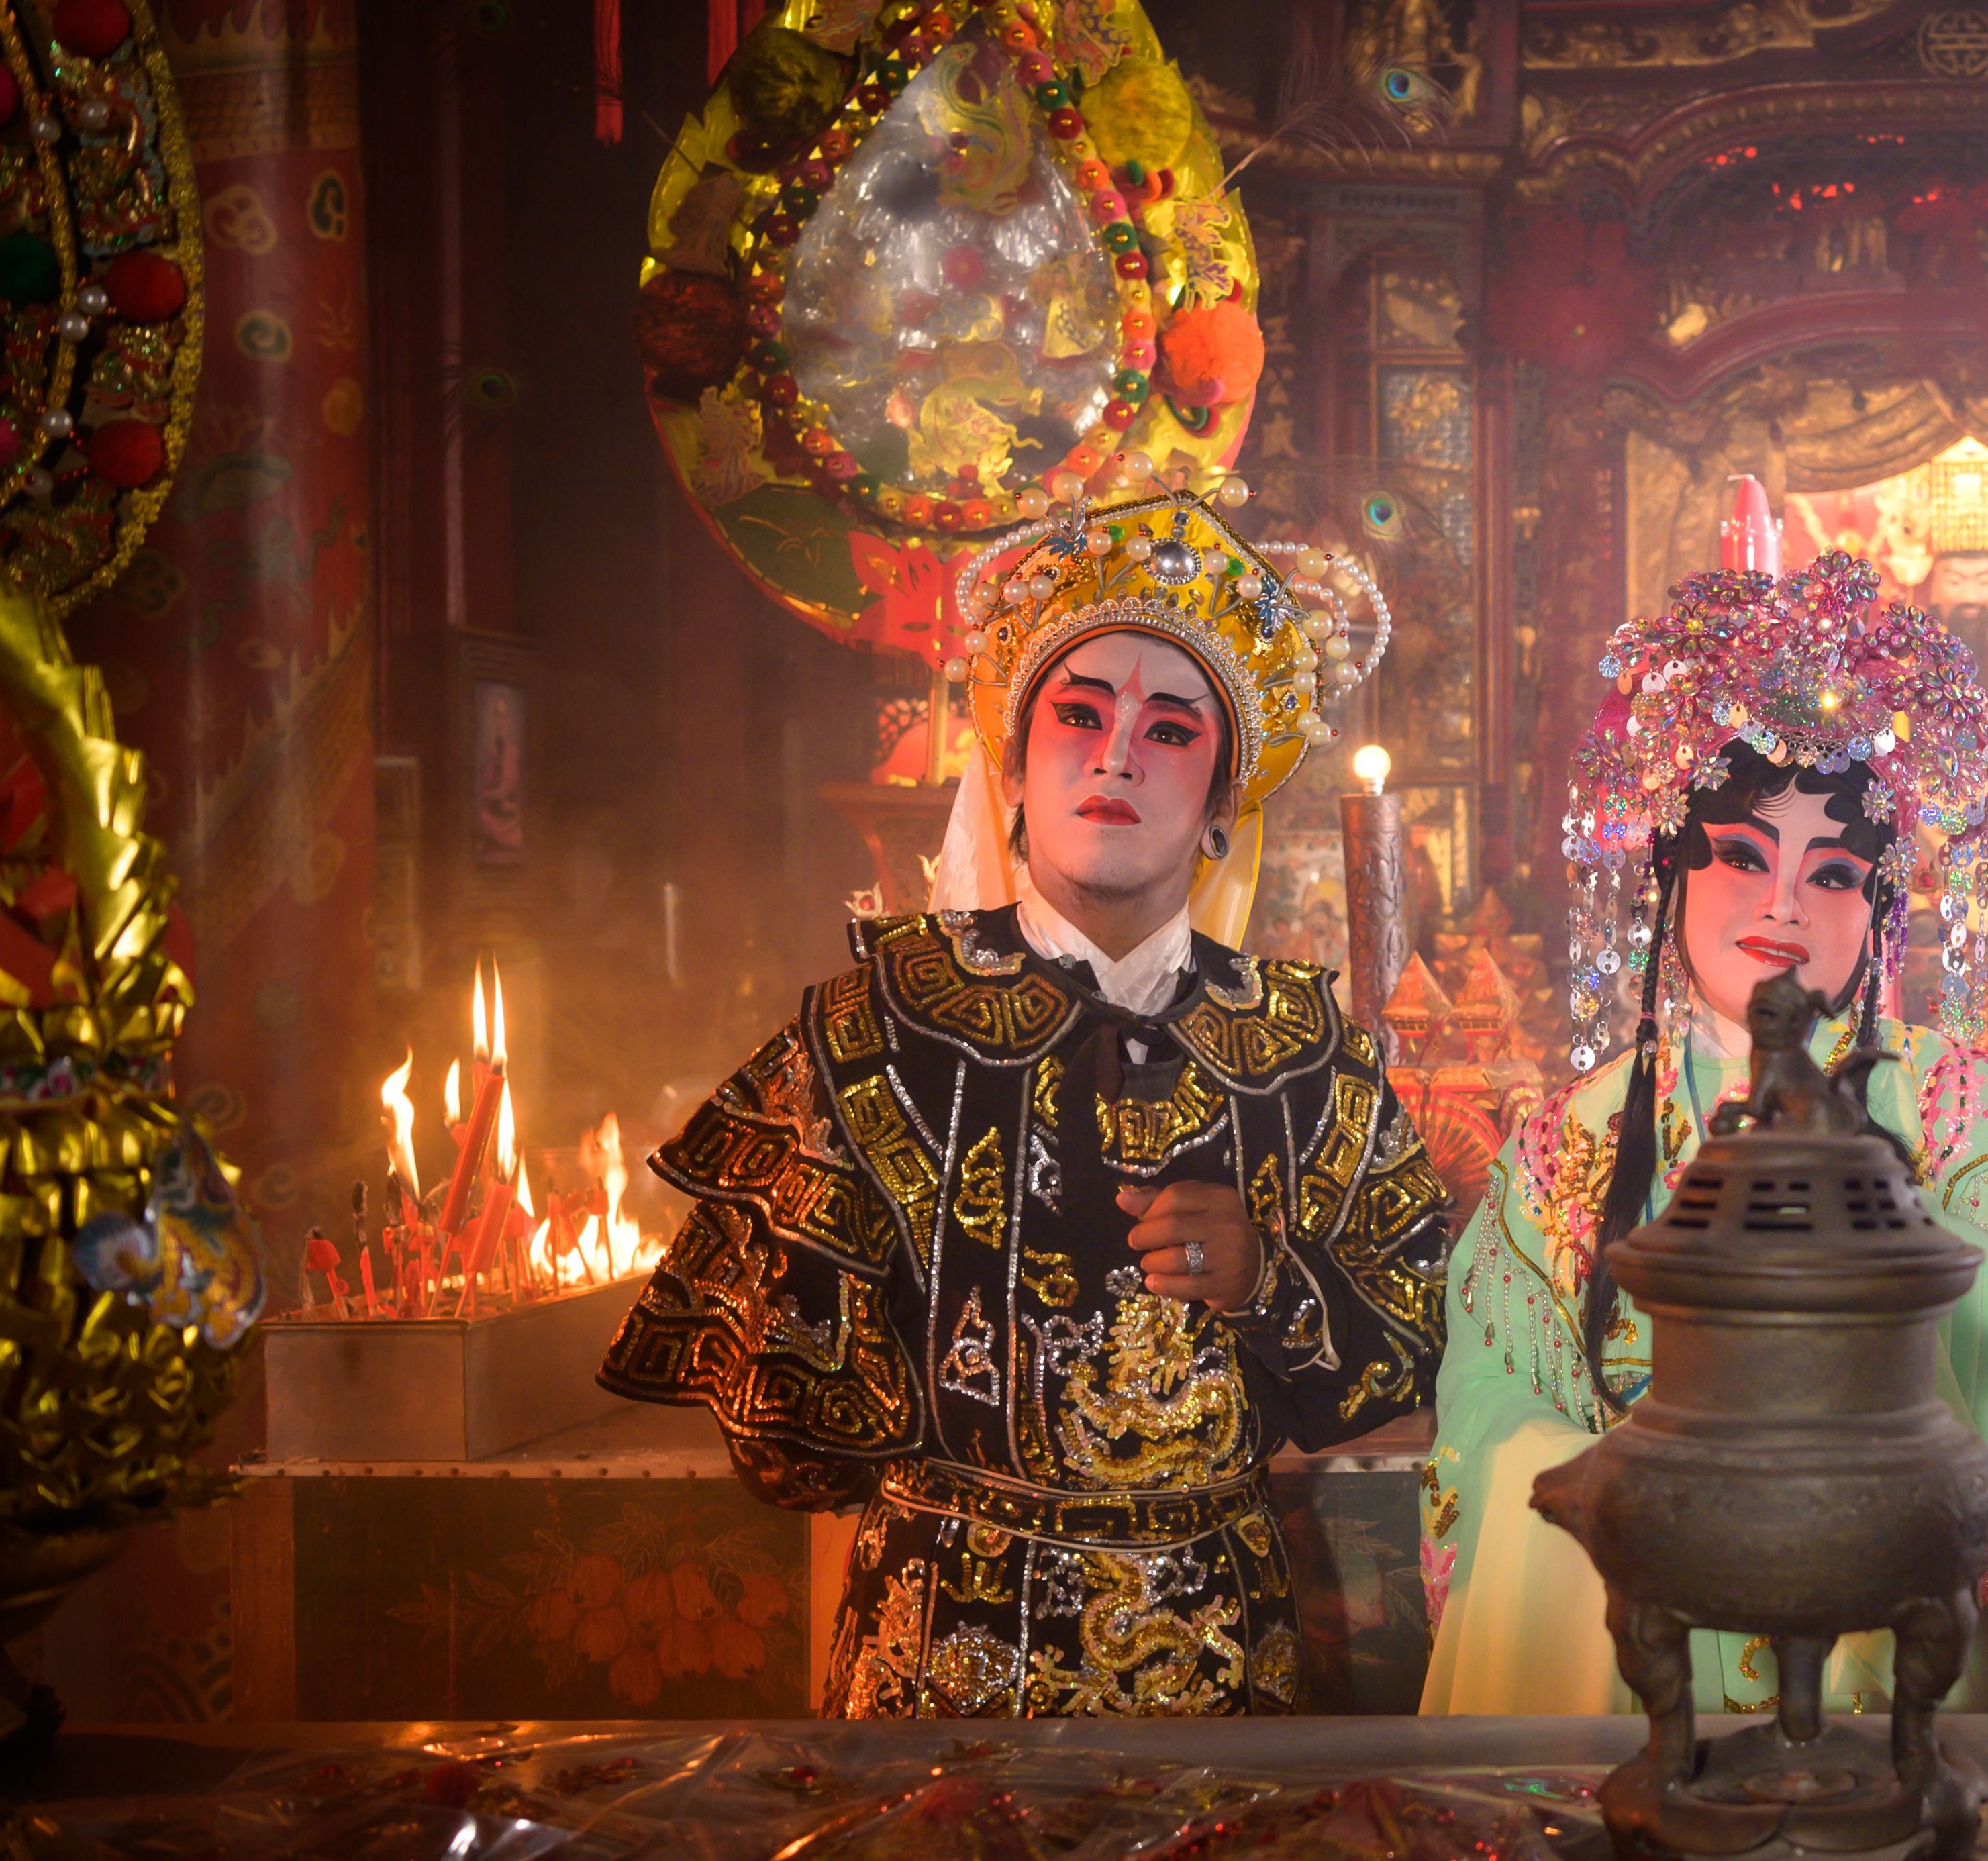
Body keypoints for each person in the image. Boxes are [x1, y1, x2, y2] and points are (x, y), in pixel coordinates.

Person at [603, 492, 1451, 1717]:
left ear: (1224, 799)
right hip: (943, 1648)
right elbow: (782, 1439)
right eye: (1078, 712)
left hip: (1224, 1658)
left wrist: (1269, 1275)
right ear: (1008, 765)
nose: (1115, 754)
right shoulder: (873, 1030)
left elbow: (1420, 1332)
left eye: (1169, 727)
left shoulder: (1303, 1047)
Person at [1422, 549, 1988, 1716]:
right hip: (1634, 1639)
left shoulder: (1966, 1115)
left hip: (1891, 1642)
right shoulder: (1564, 1145)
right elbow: (1488, 1400)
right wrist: (1645, 1500)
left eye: (1835, 872)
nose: (1784, 904)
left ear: (1883, 911)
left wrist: (1890, 1227)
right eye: (1745, 855)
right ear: (1668, 870)